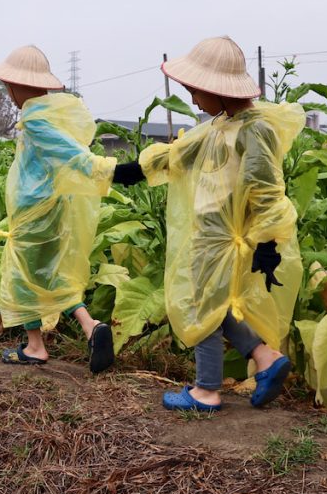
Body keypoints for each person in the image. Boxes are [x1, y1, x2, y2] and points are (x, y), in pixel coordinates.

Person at [113, 35, 304, 411]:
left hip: (223, 239)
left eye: (195, 90)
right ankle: (266, 359)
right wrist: (125, 171)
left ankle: (206, 390)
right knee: (212, 306)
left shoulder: (254, 130)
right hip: (210, 235)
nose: (192, 98)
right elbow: (177, 154)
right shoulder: (221, 124)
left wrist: (267, 243)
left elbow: (267, 192)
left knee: (203, 307)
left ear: (218, 90)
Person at [0, 45, 121, 374]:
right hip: (53, 209)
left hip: (36, 213)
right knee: (49, 275)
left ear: (21, 86)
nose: (9, 93)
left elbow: (72, 155)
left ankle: (35, 347)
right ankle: (90, 327)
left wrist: (109, 169)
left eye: (10, 87)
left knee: (21, 277)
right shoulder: (50, 114)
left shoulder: (36, 121)